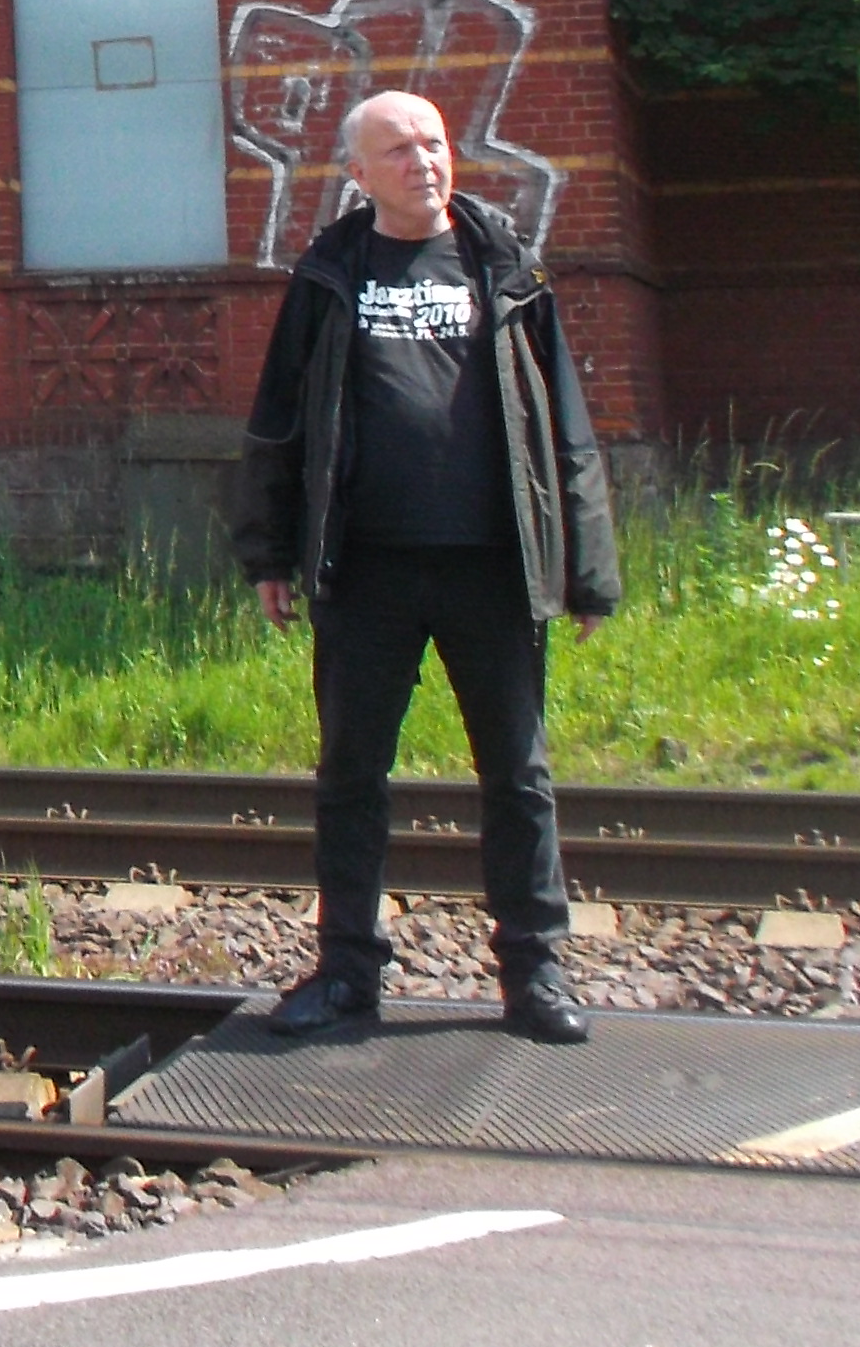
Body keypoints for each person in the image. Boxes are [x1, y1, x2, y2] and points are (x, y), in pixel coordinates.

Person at [233, 87, 620, 1044]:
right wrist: (270, 550)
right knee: (351, 776)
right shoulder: (329, 276)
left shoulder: (506, 269)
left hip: (493, 564)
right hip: (365, 569)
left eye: (436, 144)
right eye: (400, 150)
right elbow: (279, 423)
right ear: (359, 175)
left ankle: (535, 977)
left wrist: (588, 565)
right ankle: (347, 974)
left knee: (517, 776)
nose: (426, 162)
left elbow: (564, 426)